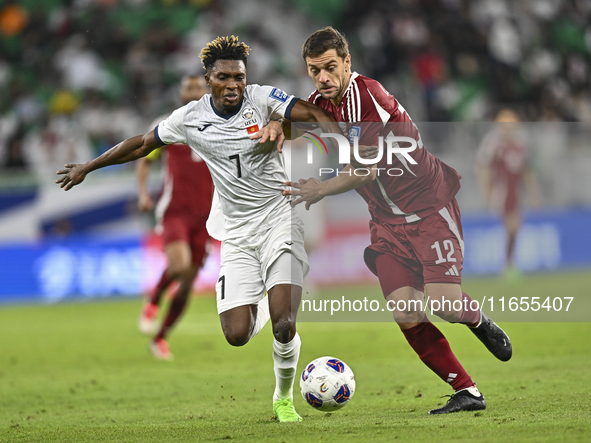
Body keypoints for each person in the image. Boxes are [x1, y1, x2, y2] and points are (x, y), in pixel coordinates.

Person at [56, 35, 338, 423]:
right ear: (209, 79)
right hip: (236, 234)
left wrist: (283, 123)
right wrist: (89, 166)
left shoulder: (262, 97)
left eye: (238, 76)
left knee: (285, 323)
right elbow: (140, 144)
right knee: (236, 334)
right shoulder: (189, 119)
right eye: (224, 77)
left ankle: (283, 398)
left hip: (280, 220)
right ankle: (263, 301)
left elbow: (319, 118)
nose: (233, 85)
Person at [284, 27, 512, 415]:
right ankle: (468, 392)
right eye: (314, 70)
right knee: (406, 312)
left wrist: (319, 189)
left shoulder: (367, 97)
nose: (322, 77)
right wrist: (276, 127)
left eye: (330, 67)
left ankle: (477, 320)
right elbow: (296, 125)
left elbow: (365, 172)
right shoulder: (321, 105)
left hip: (428, 210)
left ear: (347, 63)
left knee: (445, 305)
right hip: (387, 223)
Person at [137, 75, 214, 360]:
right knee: (179, 266)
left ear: (207, 91)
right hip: (175, 210)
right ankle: (155, 297)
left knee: (188, 283)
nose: (194, 92)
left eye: (198, 88)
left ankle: (160, 337)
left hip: (207, 216)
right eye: (188, 88)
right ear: (180, 94)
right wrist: (144, 193)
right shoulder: (167, 124)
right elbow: (145, 160)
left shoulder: (222, 124)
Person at [476, 108, 541, 282]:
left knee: (515, 227)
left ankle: (509, 264)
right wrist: (488, 191)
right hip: (502, 190)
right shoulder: (493, 143)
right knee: (512, 226)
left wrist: (533, 192)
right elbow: (484, 167)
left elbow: (527, 170)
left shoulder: (521, 143)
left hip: (516, 191)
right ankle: (508, 265)